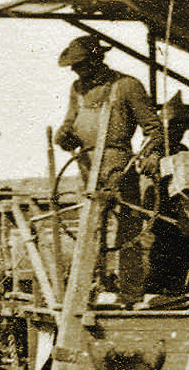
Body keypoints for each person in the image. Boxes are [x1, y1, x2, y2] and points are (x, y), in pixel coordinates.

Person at [52, 34, 155, 301]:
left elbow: (154, 129)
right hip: (86, 166)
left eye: (81, 65)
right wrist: (65, 136)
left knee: (128, 232)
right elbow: (71, 124)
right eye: (73, 67)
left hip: (118, 165)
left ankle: (130, 293)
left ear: (97, 60)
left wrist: (151, 155)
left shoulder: (127, 86)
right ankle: (93, 290)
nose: (76, 71)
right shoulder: (77, 89)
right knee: (89, 229)